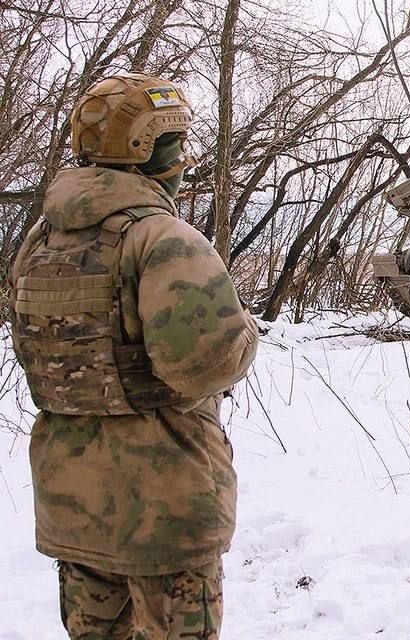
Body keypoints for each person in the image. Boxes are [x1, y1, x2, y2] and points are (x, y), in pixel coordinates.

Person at [8, 73, 258, 639]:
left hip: (72, 500)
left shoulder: (42, 239)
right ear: (152, 149)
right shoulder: (164, 239)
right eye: (177, 142)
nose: (183, 157)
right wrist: (246, 335)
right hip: (164, 506)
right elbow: (206, 364)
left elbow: (36, 355)